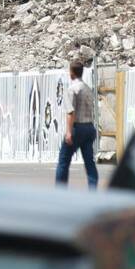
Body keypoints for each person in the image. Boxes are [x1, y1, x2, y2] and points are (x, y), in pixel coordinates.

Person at [56, 60, 99, 190]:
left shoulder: (72, 89)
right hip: (89, 127)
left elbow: (71, 112)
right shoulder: (87, 89)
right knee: (89, 162)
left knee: (63, 162)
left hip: (77, 128)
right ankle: (93, 190)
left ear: (72, 73)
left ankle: (60, 192)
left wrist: (68, 132)